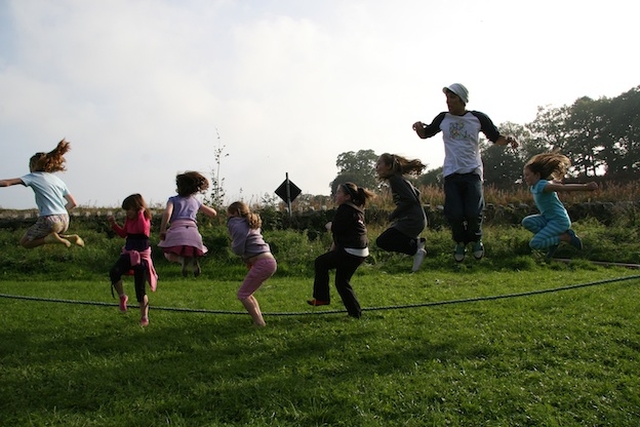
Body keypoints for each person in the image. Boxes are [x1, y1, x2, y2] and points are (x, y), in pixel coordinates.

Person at [412, 83, 518, 262]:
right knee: (454, 213)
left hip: (472, 171)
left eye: (452, 98)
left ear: (462, 100)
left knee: (473, 211)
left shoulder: (477, 118)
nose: (448, 102)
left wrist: (509, 139)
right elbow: (426, 133)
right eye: (447, 98)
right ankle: (459, 243)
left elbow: (495, 138)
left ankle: (476, 240)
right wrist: (418, 129)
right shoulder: (443, 118)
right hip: (451, 173)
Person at [307, 182, 375, 319]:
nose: (335, 195)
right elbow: (342, 234)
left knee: (320, 263)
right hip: (361, 252)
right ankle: (355, 314)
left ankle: (322, 298)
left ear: (347, 197)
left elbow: (337, 229)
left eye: (338, 193)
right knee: (342, 282)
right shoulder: (356, 209)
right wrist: (332, 250)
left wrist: (329, 226)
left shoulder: (344, 208)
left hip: (351, 251)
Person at [0, 139, 84, 249]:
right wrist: (58, 213)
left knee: (25, 242)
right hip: (65, 219)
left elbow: (7, 183)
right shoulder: (58, 180)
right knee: (54, 233)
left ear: (33, 165)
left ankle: (49, 239)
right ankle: (69, 238)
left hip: (50, 219)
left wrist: (53, 215)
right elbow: (73, 203)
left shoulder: (33, 176)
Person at [522, 152, 598, 258]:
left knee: (534, 244)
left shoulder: (542, 186)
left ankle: (565, 237)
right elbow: (552, 183)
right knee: (527, 222)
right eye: (524, 175)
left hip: (559, 221)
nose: (525, 178)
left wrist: (585, 187)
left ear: (537, 175)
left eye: (527, 175)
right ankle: (553, 240)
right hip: (548, 219)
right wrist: (554, 182)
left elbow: (563, 188)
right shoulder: (535, 186)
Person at [107, 194, 158, 327]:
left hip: (141, 257)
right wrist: (113, 224)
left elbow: (142, 229)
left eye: (130, 209)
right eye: (126, 210)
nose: (127, 212)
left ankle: (144, 317)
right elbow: (124, 234)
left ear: (137, 208)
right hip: (128, 253)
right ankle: (122, 296)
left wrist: (141, 213)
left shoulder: (145, 219)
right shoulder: (128, 220)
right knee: (114, 272)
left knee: (140, 290)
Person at [226, 201, 277, 327]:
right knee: (247, 293)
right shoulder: (249, 223)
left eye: (230, 216)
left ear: (236, 213)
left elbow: (238, 248)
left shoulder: (238, 225)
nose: (229, 220)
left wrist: (234, 246)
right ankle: (259, 321)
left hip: (263, 262)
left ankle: (259, 322)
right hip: (268, 261)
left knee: (243, 294)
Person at [375, 153, 428, 272]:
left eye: (379, 164)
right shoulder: (399, 179)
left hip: (411, 220)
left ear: (388, 166)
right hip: (417, 219)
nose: (376, 167)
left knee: (382, 241)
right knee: (388, 239)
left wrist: (394, 214)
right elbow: (417, 194)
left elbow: (410, 199)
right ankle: (417, 244)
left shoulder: (395, 180)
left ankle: (416, 249)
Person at [158, 171, 218, 277]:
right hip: (193, 231)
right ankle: (191, 261)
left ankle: (182, 260)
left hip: (177, 229)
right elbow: (213, 213)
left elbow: (167, 213)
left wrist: (162, 229)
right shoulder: (195, 201)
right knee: (189, 251)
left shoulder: (173, 200)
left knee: (168, 254)